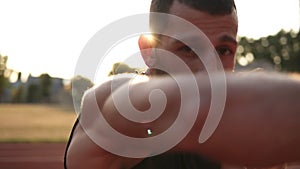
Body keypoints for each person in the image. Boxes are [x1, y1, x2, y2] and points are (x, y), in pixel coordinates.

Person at [64, 0, 300, 169]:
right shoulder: (110, 102)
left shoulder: (240, 127)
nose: (210, 70)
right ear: (149, 51)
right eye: (187, 49)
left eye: (223, 50)